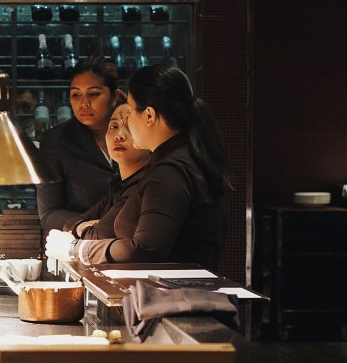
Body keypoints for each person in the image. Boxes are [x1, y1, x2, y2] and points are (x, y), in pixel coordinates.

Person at [46, 64, 231, 271]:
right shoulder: (177, 161)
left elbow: (144, 250)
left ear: (149, 116)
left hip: (175, 296)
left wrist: (77, 249)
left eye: (131, 113)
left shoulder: (171, 170)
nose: (126, 126)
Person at [36, 55, 123, 233]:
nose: (84, 103)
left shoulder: (135, 135)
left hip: (135, 238)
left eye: (93, 94)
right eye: (76, 95)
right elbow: (50, 213)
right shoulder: (55, 141)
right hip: (80, 244)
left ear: (114, 96)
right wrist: (84, 226)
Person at [67, 101, 152, 241]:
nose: (119, 136)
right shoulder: (119, 185)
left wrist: (85, 229)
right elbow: (70, 223)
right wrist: (82, 226)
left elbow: (98, 235)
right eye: (113, 126)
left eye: (130, 128)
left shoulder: (143, 184)